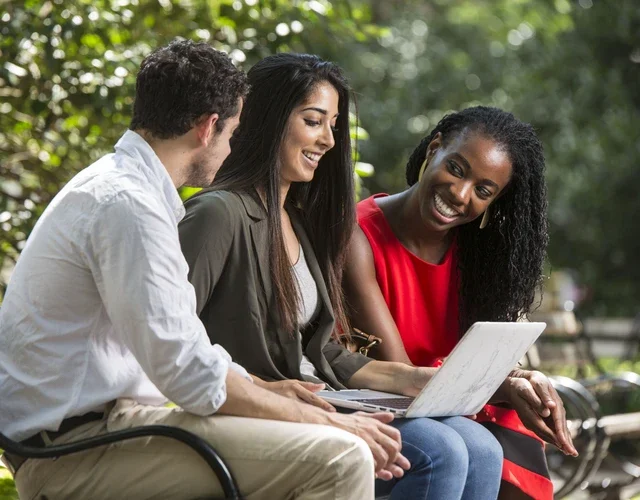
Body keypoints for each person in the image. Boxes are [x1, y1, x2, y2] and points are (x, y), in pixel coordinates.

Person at [0, 40, 410, 500]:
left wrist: (267, 389)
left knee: (335, 443)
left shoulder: (127, 190)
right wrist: (328, 419)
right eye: (233, 133)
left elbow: (184, 347)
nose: (234, 147)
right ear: (207, 127)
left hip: (107, 428)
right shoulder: (128, 205)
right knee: (341, 455)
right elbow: (188, 373)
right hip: (74, 448)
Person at [178, 53, 504, 500]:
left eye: (333, 125)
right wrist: (262, 387)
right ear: (269, 119)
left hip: (327, 396)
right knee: (438, 450)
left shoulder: (297, 221)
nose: (329, 140)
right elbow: (170, 342)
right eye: (314, 121)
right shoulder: (218, 214)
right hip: (259, 411)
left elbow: (325, 351)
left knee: (483, 448)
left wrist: (410, 379)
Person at [342, 106, 579, 500]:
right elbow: (402, 373)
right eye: (456, 168)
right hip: (387, 399)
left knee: (488, 447)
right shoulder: (358, 234)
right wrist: (501, 385)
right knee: (466, 446)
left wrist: (521, 378)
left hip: (454, 405)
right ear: (434, 148)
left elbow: (479, 354)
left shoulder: (477, 255)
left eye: (483, 191)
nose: (460, 193)